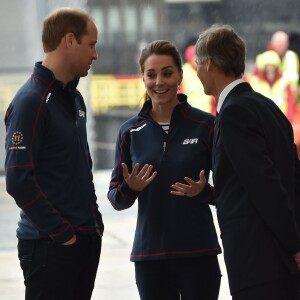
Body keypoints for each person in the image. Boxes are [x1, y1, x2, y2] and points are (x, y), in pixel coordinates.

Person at [107, 40, 221, 300]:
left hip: (199, 252)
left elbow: (230, 192)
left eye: (167, 73)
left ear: (180, 75)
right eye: (151, 74)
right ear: (143, 78)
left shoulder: (206, 125)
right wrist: (130, 189)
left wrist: (204, 192)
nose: (159, 82)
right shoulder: (129, 132)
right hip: (150, 257)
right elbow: (115, 199)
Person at [194, 24, 300, 300]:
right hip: (277, 262)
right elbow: (291, 177)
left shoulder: (233, 114)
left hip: (259, 261)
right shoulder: (268, 107)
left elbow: (264, 184)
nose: (195, 71)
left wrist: (294, 244)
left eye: (197, 63)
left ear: (208, 63)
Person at [4, 7, 104, 300]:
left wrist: (94, 224)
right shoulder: (30, 101)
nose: (95, 55)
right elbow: (18, 180)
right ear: (69, 40)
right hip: (50, 245)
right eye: (92, 45)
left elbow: (81, 169)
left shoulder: (75, 100)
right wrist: (62, 234)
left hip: (82, 240)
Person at [245, 50, 296, 122]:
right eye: (268, 67)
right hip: (259, 122)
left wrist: (289, 120)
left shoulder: (284, 81)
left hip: (280, 121)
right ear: (263, 68)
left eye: (273, 66)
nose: (270, 69)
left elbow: (290, 101)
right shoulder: (253, 81)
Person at [180, 43, 217, 114]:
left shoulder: (207, 71)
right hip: (190, 116)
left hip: (208, 115)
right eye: (194, 57)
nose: (197, 60)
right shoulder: (183, 72)